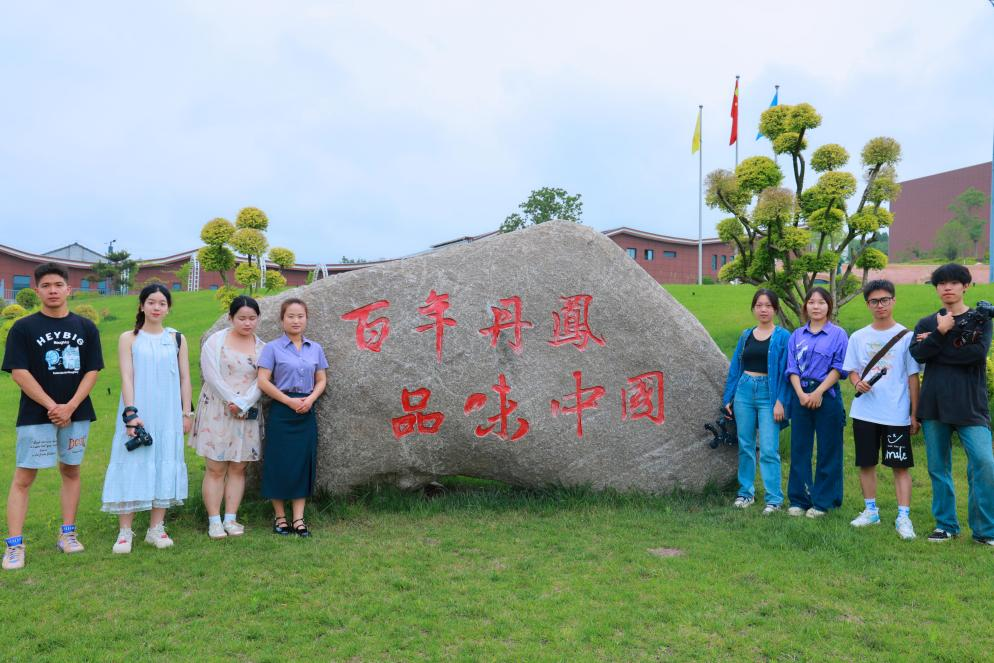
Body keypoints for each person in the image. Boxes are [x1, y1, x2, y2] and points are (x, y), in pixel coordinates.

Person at [2, 263, 103, 571]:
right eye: (46, 286)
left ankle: (68, 534)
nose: (53, 290)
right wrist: (52, 406)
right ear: (37, 291)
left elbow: (92, 370)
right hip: (36, 415)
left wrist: (70, 406)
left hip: (77, 413)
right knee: (24, 477)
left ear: (69, 289)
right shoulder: (23, 328)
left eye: (58, 285)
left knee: (71, 470)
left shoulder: (86, 327)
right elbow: (19, 372)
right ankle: (14, 546)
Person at [101, 284, 192, 553]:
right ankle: (124, 532)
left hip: (168, 413)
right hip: (138, 411)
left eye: (162, 303)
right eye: (151, 302)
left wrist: (186, 413)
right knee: (131, 461)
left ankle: (156, 529)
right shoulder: (128, 338)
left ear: (168, 308)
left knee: (165, 461)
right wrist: (131, 414)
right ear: (141, 305)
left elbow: (185, 378)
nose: (156, 307)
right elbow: (127, 377)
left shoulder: (176, 338)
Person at [910, 263, 994, 546]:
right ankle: (946, 525)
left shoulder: (981, 320)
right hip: (934, 404)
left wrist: (938, 342)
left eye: (954, 282)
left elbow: (975, 355)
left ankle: (985, 530)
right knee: (938, 467)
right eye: (941, 283)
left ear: (965, 286)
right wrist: (939, 332)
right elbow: (919, 355)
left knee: (984, 463)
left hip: (971, 406)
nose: (947, 287)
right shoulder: (927, 323)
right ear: (936, 288)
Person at [843, 280, 921, 540]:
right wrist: (857, 383)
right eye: (874, 301)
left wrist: (914, 413)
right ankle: (870, 511)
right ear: (868, 305)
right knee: (866, 462)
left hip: (896, 412)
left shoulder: (907, 337)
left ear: (893, 300)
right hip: (865, 412)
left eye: (885, 300)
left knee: (900, 466)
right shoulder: (858, 337)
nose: (880, 305)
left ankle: (904, 516)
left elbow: (912, 377)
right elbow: (852, 370)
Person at [189, 295, 265, 539]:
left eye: (252, 318)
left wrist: (243, 403)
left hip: (246, 411)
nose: (247, 323)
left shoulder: (262, 347)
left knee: (239, 466)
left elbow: (262, 380)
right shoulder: (215, 341)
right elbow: (211, 375)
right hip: (217, 409)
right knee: (215, 467)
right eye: (242, 318)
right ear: (231, 318)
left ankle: (230, 518)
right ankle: (214, 520)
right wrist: (231, 400)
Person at [257, 298, 328, 537]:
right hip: (281, 410)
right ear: (282, 320)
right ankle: (280, 517)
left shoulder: (315, 348)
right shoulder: (272, 348)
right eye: (291, 316)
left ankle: (298, 519)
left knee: (302, 463)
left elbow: (322, 379)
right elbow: (263, 381)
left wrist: (311, 399)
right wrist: (288, 401)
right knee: (278, 463)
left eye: (300, 316)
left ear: (306, 319)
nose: (296, 321)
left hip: (306, 411)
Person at [721, 289, 790, 514]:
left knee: (769, 449)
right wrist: (728, 397)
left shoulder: (783, 337)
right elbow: (735, 367)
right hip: (744, 391)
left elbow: (787, 373)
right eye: (759, 305)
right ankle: (746, 493)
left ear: (775, 309)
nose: (763, 310)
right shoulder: (746, 335)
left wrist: (781, 401)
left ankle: (774, 499)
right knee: (746, 446)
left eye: (768, 306)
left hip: (769, 394)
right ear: (753, 308)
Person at [785, 287, 849, 518]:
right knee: (800, 448)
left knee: (829, 449)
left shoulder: (838, 334)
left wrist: (819, 392)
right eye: (811, 302)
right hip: (800, 394)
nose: (816, 306)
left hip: (827, 395)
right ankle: (799, 499)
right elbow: (791, 367)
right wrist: (801, 394)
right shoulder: (797, 335)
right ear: (806, 306)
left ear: (828, 306)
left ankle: (824, 502)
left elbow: (839, 367)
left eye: (821, 302)